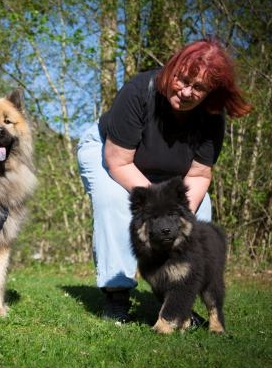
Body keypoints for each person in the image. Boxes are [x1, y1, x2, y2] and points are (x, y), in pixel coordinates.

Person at [77, 37, 252, 322]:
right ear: (173, 69)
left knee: (201, 209)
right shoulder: (138, 91)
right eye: (182, 80)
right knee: (113, 201)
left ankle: (178, 296)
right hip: (109, 153)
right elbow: (118, 161)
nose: (185, 92)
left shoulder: (211, 118)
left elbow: (198, 174)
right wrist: (157, 207)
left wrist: (178, 213)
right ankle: (116, 294)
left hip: (164, 173)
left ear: (211, 93)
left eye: (198, 88)